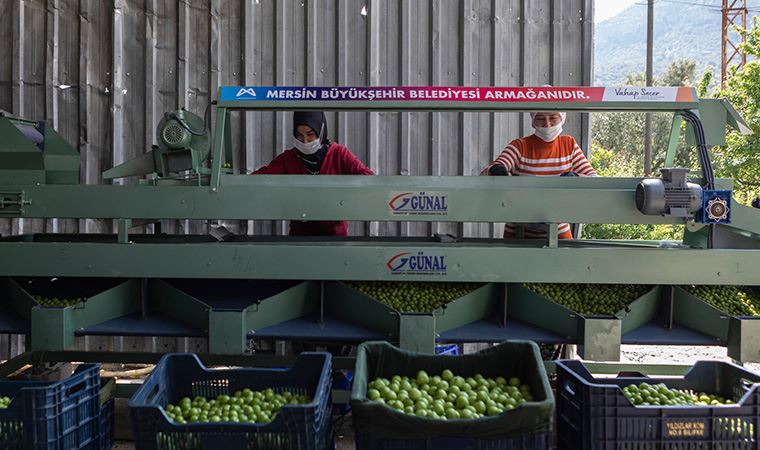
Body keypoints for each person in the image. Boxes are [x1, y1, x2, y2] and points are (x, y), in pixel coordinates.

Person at [254, 111, 373, 236]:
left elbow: (368, 178)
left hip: (335, 238)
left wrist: (340, 198)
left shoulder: (338, 154)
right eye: (299, 135)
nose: (305, 141)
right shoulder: (288, 158)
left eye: (311, 135)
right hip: (300, 238)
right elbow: (257, 179)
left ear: (321, 132)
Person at [482, 110, 598, 239]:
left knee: (566, 259)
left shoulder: (569, 145)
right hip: (518, 229)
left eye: (553, 118)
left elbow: (594, 179)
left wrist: (576, 177)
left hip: (558, 229)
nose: (547, 124)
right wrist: (497, 170)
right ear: (533, 120)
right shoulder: (520, 146)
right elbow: (492, 169)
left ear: (562, 118)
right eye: (540, 118)